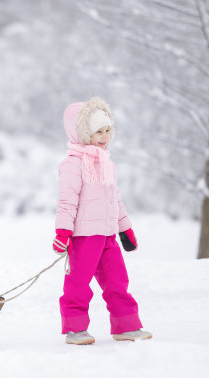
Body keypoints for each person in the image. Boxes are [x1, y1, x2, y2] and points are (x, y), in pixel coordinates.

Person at [52, 96, 152, 345]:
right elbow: (67, 201)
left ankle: (125, 326)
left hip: (107, 235)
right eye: (98, 131)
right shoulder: (72, 165)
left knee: (118, 281)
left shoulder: (106, 164)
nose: (105, 136)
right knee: (78, 284)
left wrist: (125, 229)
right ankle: (75, 329)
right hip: (85, 236)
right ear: (82, 132)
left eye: (108, 130)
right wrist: (63, 232)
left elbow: (115, 200)